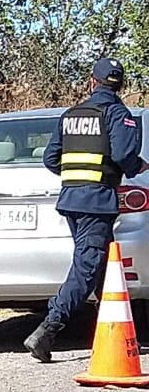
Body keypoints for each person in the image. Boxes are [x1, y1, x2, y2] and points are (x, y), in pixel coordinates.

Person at [24, 57, 148, 362]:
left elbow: (51, 159)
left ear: (92, 81)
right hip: (97, 203)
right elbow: (124, 156)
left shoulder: (71, 115)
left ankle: (118, 331)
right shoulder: (117, 114)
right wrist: (138, 166)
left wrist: (77, 176)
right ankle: (48, 329)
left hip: (72, 201)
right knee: (87, 268)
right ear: (120, 85)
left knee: (103, 266)